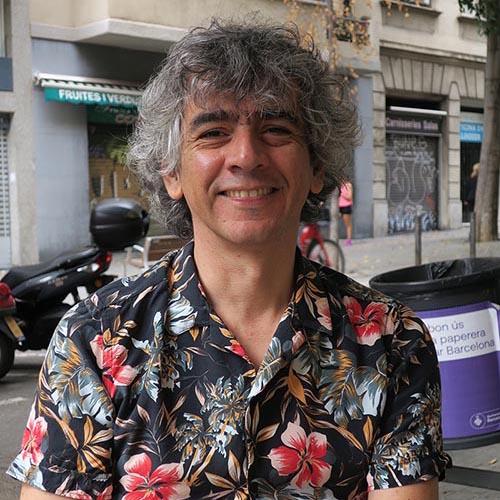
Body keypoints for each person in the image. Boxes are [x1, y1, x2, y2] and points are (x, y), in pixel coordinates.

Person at [8, 19, 450, 500]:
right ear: (171, 172)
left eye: (276, 129)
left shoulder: (392, 341)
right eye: (214, 132)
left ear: (317, 166)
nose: (246, 156)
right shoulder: (93, 340)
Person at [338, 181, 353, 246]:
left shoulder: (348, 185)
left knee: (348, 224)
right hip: (339, 207)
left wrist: (341, 194)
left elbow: (350, 197)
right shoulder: (339, 185)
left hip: (346, 206)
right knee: (337, 223)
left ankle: (349, 240)